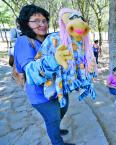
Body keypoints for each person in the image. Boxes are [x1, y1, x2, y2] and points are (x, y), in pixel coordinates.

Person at [14, 5, 73, 145]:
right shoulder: (23, 42)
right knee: (52, 118)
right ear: (26, 23)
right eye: (36, 20)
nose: (42, 24)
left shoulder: (50, 38)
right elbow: (31, 72)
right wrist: (54, 60)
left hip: (59, 89)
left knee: (61, 111)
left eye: (44, 20)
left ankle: (55, 127)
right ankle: (57, 141)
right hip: (41, 96)